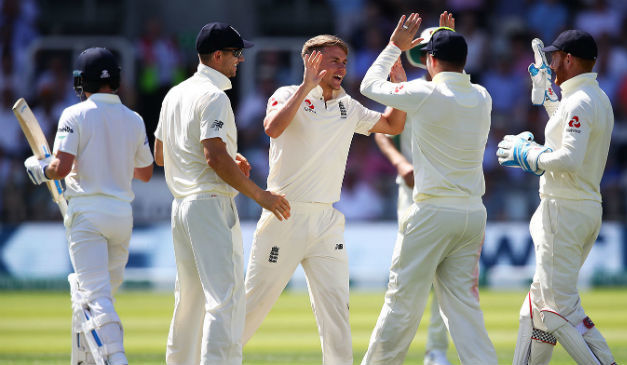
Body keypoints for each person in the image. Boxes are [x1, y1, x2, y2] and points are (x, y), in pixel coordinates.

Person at [242, 34, 407, 364]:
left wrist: (398, 86)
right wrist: (305, 86)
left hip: (327, 221)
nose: (341, 68)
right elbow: (272, 128)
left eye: (344, 62)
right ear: (311, 61)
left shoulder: (349, 105)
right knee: (252, 306)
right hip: (285, 213)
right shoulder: (287, 94)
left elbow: (392, 125)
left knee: (336, 312)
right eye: (334, 60)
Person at [359, 12, 498, 365]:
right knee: (465, 310)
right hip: (472, 215)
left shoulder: (423, 93)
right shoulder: (483, 96)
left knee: (401, 303)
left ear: (430, 61)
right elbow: (448, 78)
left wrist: (394, 47)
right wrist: (443, 38)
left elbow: (368, 86)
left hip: (432, 213)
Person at [153, 22, 290, 365]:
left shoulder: (175, 93)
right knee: (225, 300)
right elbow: (213, 157)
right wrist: (261, 196)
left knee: (189, 300)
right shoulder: (214, 96)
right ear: (217, 56)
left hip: (182, 206)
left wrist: (227, 153)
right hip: (210, 204)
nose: (240, 60)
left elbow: (160, 154)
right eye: (236, 53)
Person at [24, 47, 154, 365]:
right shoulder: (134, 119)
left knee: (95, 298)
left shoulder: (75, 114)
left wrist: (37, 169)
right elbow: (146, 173)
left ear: (82, 81)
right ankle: (84, 360)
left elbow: (60, 168)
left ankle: (117, 359)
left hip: (88, 217)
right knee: (91, 296)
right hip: (122, 217)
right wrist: (113, 157)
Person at [497, 30, 617, 365]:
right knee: (536, 305)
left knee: (554, 312)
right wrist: (548, 94)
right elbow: (567, 128)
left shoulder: (580, 101)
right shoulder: (593, 97)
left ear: (568, 59)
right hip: (582, 209)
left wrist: (529, 155)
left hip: (563, 210)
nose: (550, 64)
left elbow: (568, 158)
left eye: (554, 58)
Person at [375, 24, 452, 365]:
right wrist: (400, 162)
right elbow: (382, 132)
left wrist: (446, 43)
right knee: (404, 278)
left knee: (444, 281)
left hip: (448, 194)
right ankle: (391, 355)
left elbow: (450, 85)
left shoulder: (460, 92)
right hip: (412, 194)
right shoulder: (409, 89)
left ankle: (435, 351)